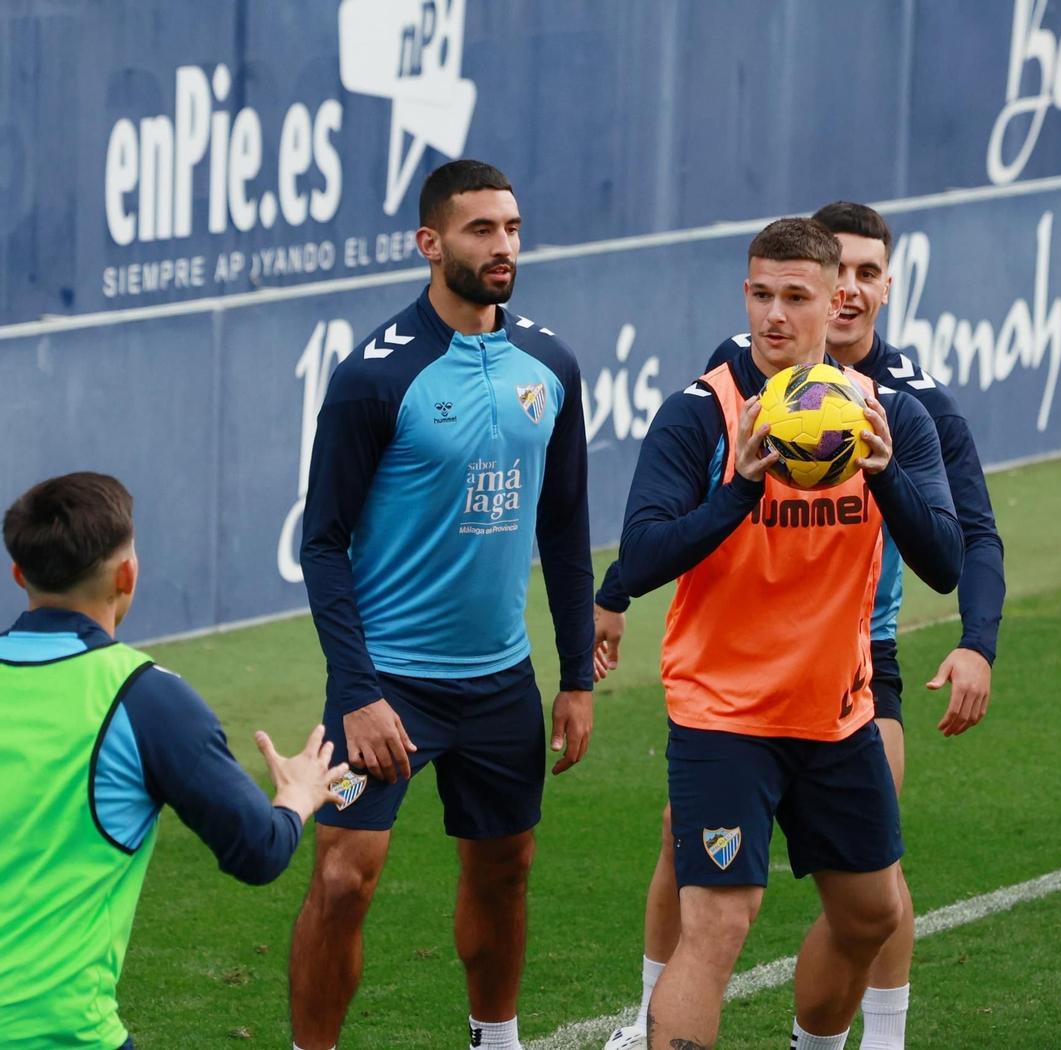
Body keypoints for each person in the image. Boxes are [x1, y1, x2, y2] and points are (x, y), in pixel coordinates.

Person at [595, 202, 1005, 1050]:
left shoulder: (890, 418)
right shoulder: (701, 413)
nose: (775, 316)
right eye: (760, 296)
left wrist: (888, 477)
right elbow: (637, 560)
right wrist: (738, 489)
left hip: (837, 713)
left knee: (869, 914)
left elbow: (944, 564)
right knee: (720, 923)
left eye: (796, 298)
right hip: (724, 716)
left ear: (835, 308)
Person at [290, 160, 596, 1050]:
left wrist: (576, 676)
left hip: (501, 682)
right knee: (345, 880)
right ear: (430, 244)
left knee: (506, 874)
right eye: (480, 231)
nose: (502, 248)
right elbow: (322, 544)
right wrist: (358, 690)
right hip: (388, 683)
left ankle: (493, 1042)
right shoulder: (373, 378)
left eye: (511, 228)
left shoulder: (552, 364)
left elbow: (567, 533)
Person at [0, 472, 343, 1050]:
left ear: (19, 575)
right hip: (57, 1034)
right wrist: (297, 797)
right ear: (127, 575)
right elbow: (258, 851)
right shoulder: (145, 697)